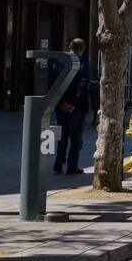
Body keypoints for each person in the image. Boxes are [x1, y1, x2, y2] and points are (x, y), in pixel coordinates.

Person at [52, 38, 90, 175]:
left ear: (69, 47)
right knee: (76, 138)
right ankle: (72, 166)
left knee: (62, 136)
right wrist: (74, 104)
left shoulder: (60, 62)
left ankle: (59, 160)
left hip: (61, 106)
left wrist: (61, 103)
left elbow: (54, 82)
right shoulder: (83, 63)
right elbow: (83, 85)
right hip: (77, 108)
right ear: (83, 49)